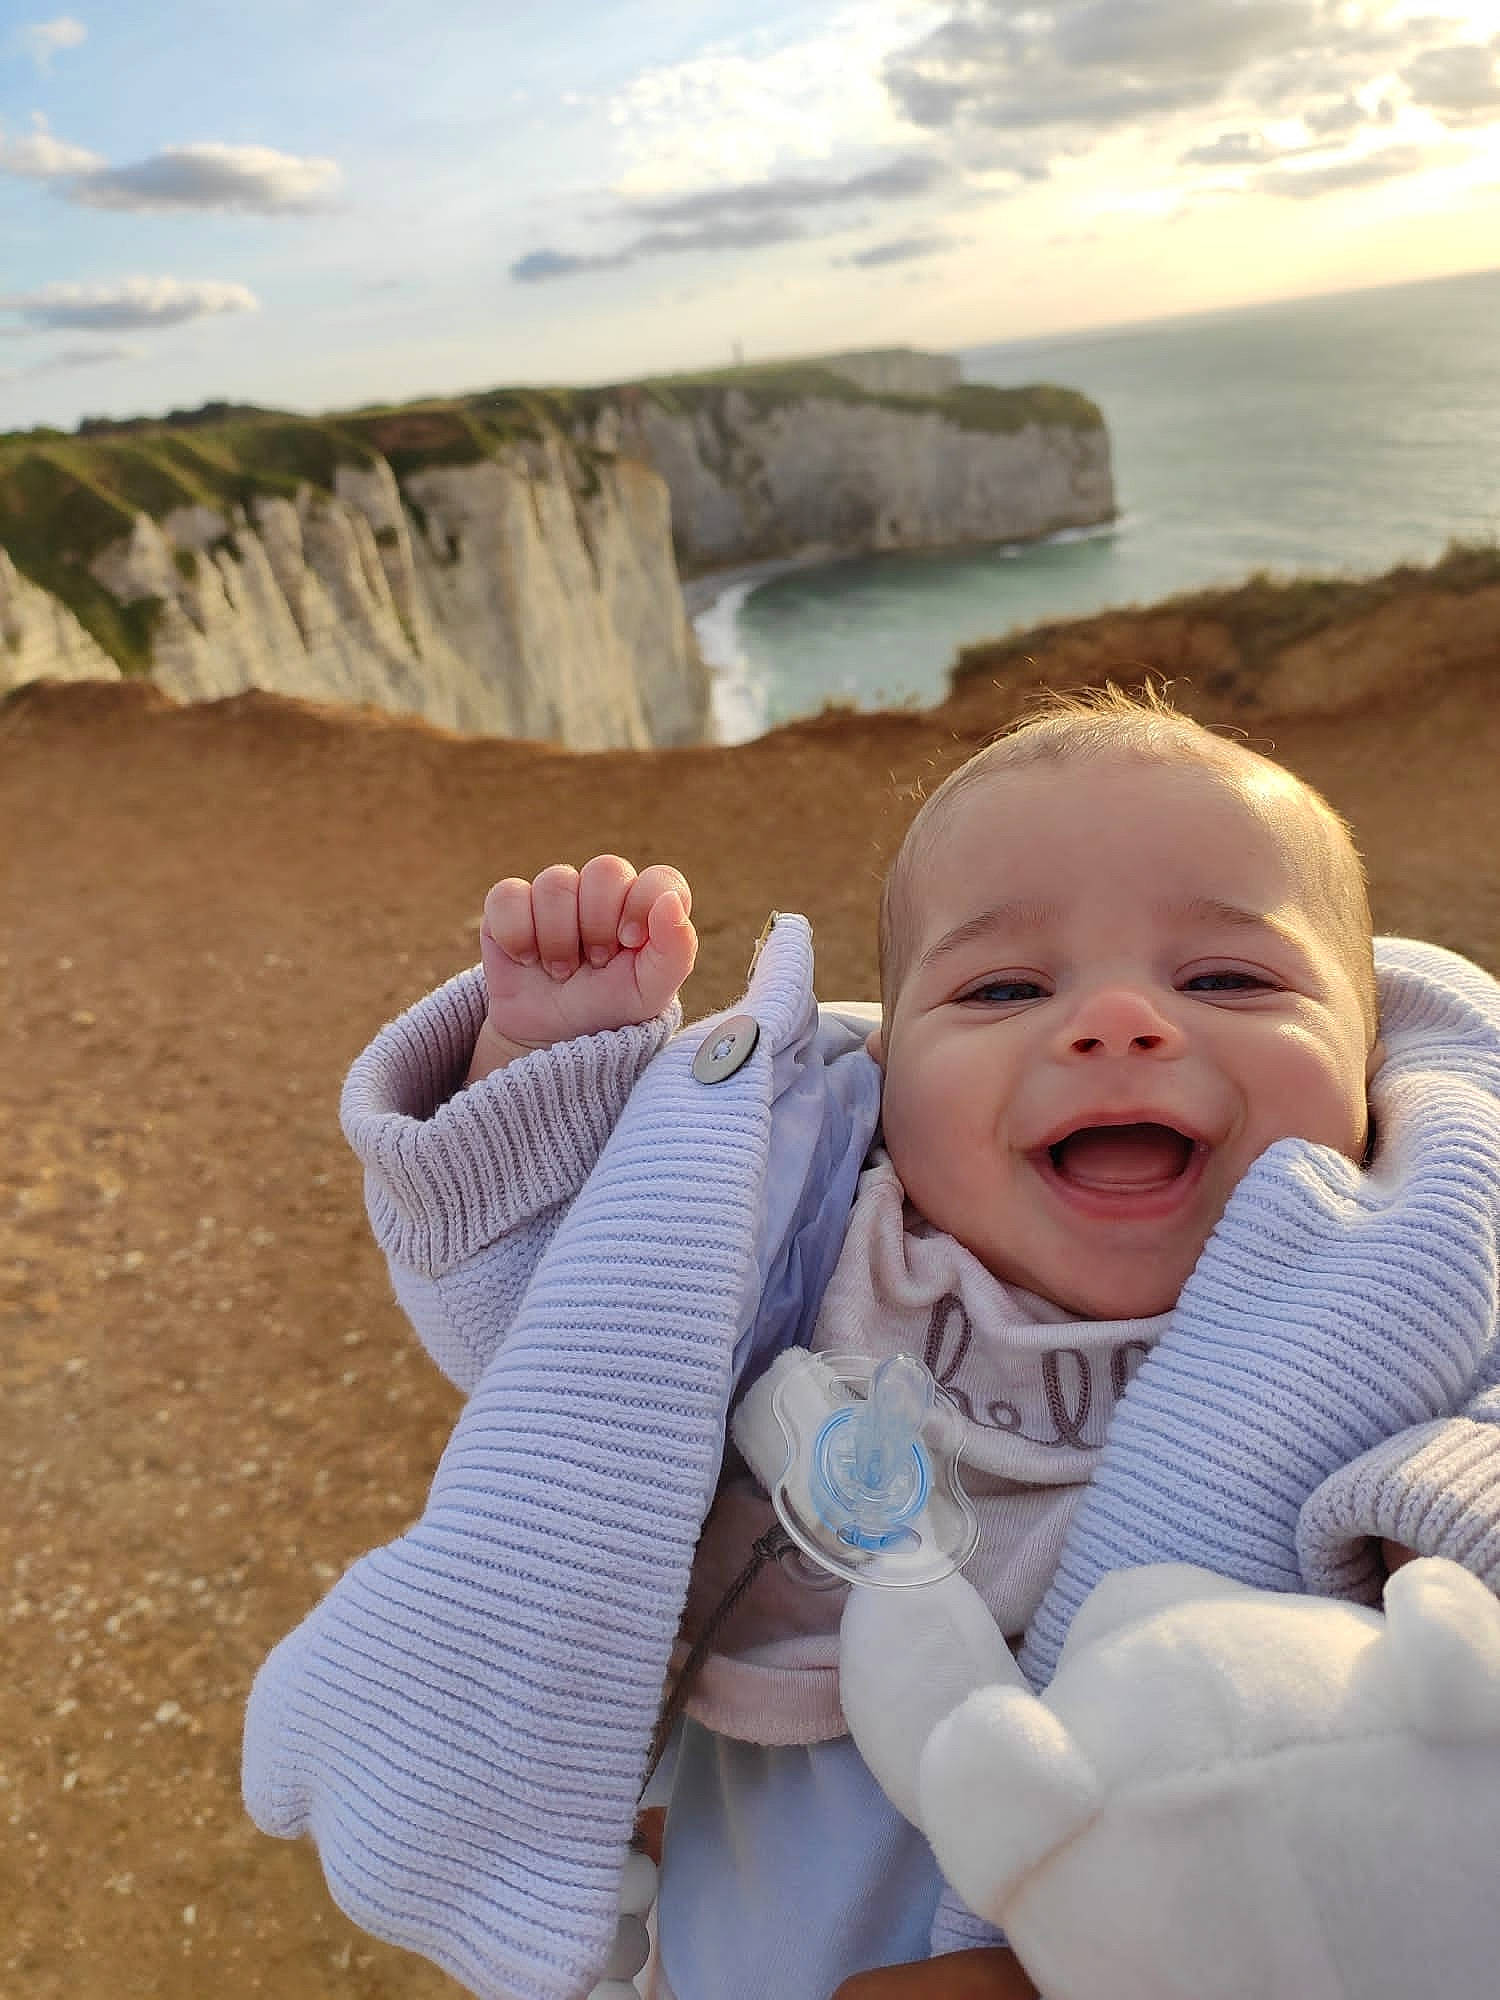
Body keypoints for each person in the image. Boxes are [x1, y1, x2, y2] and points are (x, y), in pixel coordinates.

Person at [243, 688, 1500, 2000]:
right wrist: (546, 1081)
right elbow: (552, 1338)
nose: (1119, 1022)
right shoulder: (815, 1234)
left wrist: (1446, 1527)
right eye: (1006, 985)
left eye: (1227, 977)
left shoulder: (1409, 1267)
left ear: (1369, 1058)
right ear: (892, 1080)